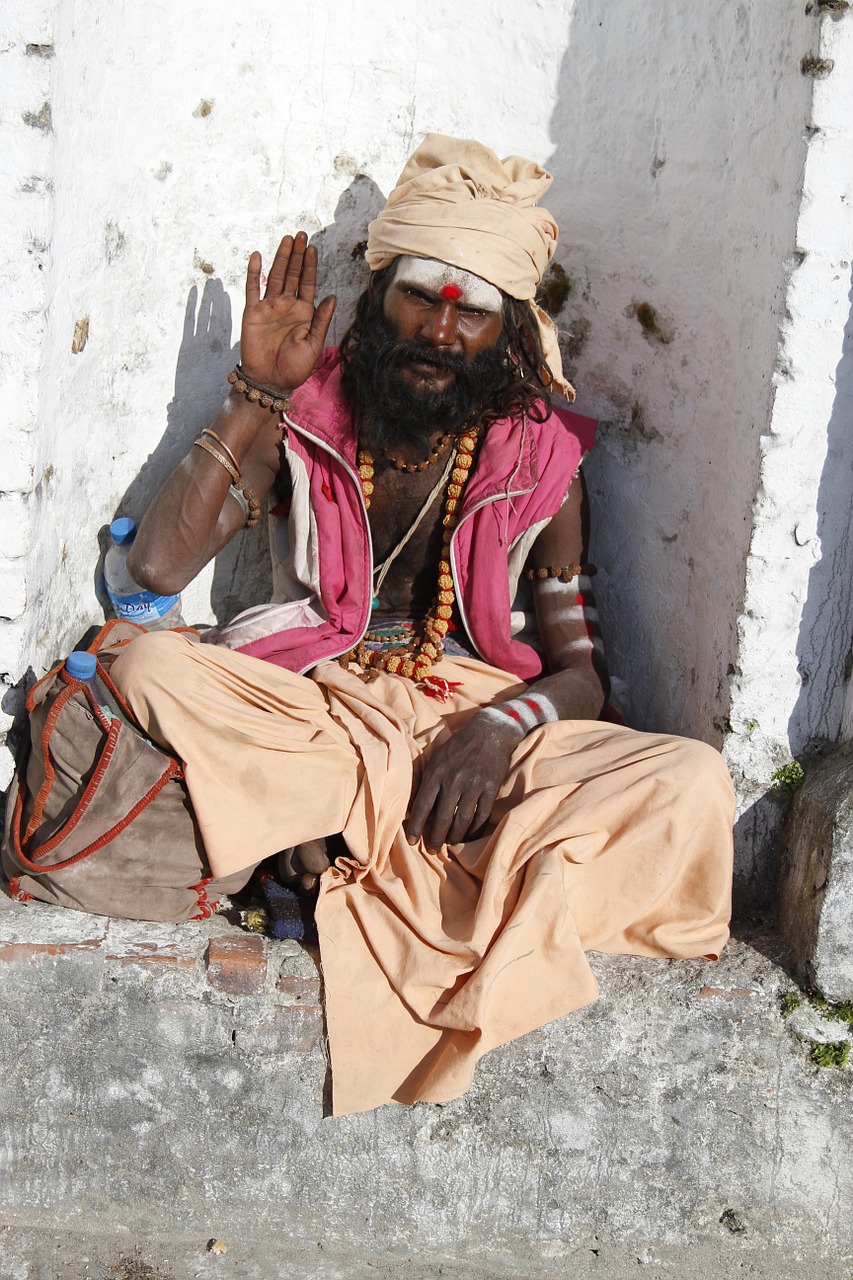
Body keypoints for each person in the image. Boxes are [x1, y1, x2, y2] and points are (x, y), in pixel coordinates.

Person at [111, 135, 735, 1116]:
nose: (440, 329)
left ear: (510, 334)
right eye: (420, 297)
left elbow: (576, 672)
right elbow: (154, 569)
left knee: (691, 780)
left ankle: (321, 843)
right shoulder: (305, 408)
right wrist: (257, 394)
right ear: (379, 300)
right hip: (318, 698)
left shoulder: (545, 459)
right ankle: (383, 840)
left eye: (470, 310)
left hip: (471, 722)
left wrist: (495, 733)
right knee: (152, 663)